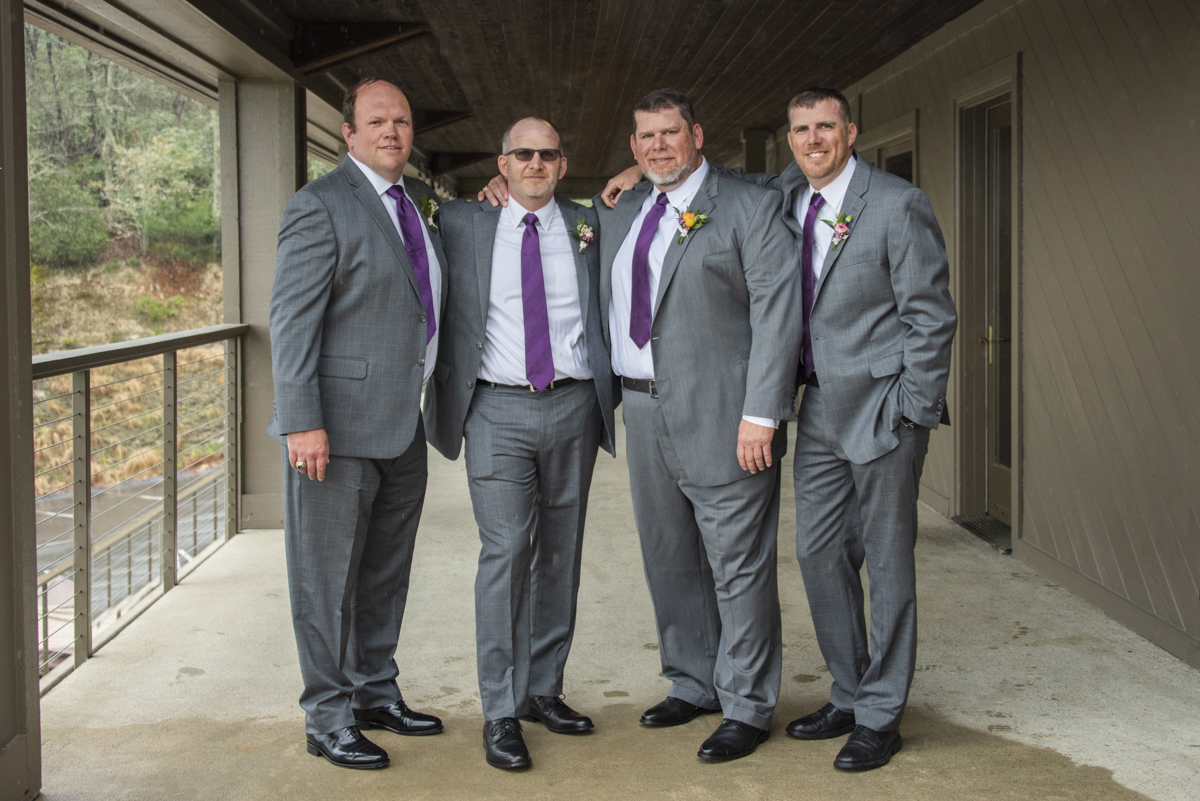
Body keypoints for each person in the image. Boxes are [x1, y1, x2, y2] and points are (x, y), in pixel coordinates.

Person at [603, 85, 957, 771]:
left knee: (886, 565)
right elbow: (719, 181)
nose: (813, 139)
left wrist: (912, 406)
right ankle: (850, 691)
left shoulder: (894, 203)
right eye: (801, 129)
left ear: (852, 132)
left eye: (826, 127)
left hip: (882, 405)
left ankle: (881, 713)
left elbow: (931, 316)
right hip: (818, 405)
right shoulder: (785, 195)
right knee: (821, 558)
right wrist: (634, 172)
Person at [490, 89, 802, 761]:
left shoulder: (748, 204)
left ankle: (747, 702)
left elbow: (780, 313)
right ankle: (693, 680)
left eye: (670, 134)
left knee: (738, 563)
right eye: (646, 138)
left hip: (727, 412)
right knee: (669, 553)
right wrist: (503, 182)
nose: (658, 146)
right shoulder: (621, 209)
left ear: (697, 134)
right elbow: (542, 209)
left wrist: (762, 412)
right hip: (643, 407)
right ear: (632, 148)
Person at [423, 117, 616, 770]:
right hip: (496, 407)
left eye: (547, 154)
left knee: (560, 552)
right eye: (521, 154)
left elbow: (674, 193)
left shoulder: (593, 226)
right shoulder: (460, 223)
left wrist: (638, 167)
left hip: (575, 404)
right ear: (500, 165)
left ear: (563, 166)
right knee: (507, 550)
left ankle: (544, 688)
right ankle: (501, 709)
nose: (534, 163)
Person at [268, 77, 446, 770]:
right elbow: (290, 323)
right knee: (325, 580)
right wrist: (302, 421)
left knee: (383, 574)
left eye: (402, 120)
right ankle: (328, 714)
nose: (392, 132)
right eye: (377, 121)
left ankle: (376, 690)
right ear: (348, 133)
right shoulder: (320, 205)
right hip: (333, 433)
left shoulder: (417, 207)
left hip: (403, 427)